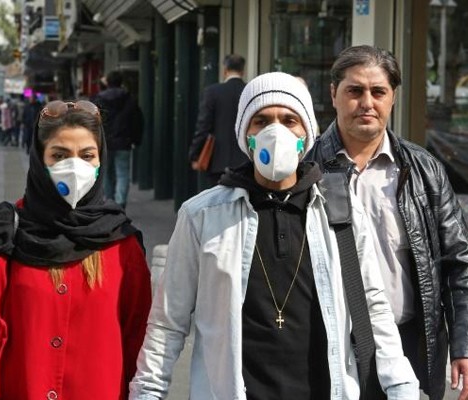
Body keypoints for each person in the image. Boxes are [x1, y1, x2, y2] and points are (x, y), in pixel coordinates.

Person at [129, 72, 418, 400]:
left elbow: (373, 305)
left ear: (306, 133)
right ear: (245, 134)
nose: (275, 131)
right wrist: (147, 392)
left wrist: (402, 386)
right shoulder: (202, 216)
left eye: (289, 120)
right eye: (262, 121)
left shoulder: (341, 210)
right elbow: (168, 322)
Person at [0, 99, 152, 399]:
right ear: (39, 159)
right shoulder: (4, 235)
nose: (75, 167)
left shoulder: (122, 244)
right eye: (60, 155)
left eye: (87, 155)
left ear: (100, 160)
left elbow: (138, 340)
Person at [305, 45, 468, 400]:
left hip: (412, 345)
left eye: (378, 92)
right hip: (332, 348)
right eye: (355, 91)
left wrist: (463, 344)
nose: (367, 103)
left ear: (393, 97)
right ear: (333, 94)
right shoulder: (306, 171)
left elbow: (459, 261)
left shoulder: (424, 169)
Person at [188, 54, 248, 187]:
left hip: (217, 162)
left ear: (225, 70)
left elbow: (203, 126)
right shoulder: (249, 91)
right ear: (243, 71)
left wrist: (195, 154)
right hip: (245, 162)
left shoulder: (212, 92)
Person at [94, 70, 143, 209]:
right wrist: (136, 140)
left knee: (106, 174)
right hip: (124, 142)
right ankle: (120, 202)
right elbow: (138, 121)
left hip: (104, 143)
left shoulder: (98, 100)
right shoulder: (130, 99)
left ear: (107, 82)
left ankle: (109, 201)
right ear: (121, 82)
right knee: (123, 173)